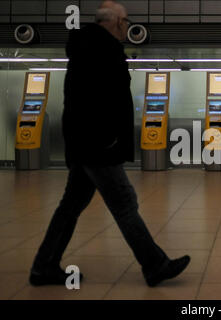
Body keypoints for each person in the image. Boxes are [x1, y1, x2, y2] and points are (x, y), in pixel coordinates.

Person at [29, 1, 190, 287]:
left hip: (86, 144)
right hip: (97, 146)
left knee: (71, 205)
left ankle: (44, 266)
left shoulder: (88, 47)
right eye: (126, 21)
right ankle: (154, 265)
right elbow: (96, 102)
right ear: (116, 22)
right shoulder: (100, 50)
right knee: (124, 202)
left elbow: (81, 100)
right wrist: (109, 140)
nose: (128, 26)